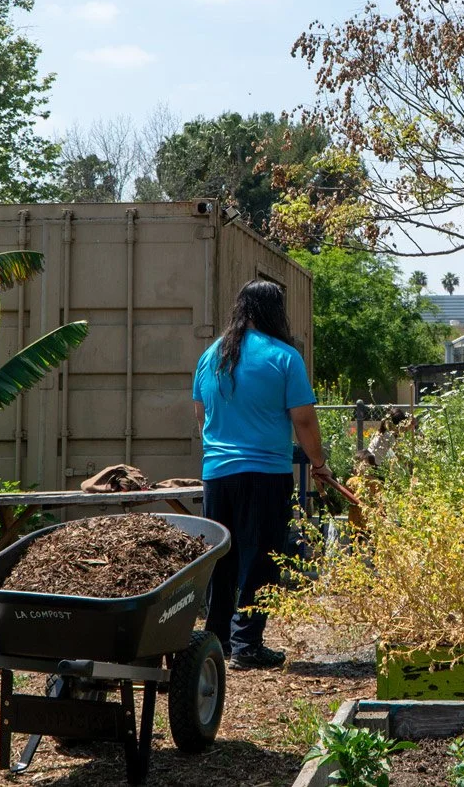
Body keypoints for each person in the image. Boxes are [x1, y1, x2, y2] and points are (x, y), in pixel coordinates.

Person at [192, 279, 332, 670]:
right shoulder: (285, 357)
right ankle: (247, 644)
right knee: (264, 558)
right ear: (275, 311)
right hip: (266, 474)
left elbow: (202, 415)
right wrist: (318, 465)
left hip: (217, 474)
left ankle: (216, 640)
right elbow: (303, 420)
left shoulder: (211, 356)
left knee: (223, 556)